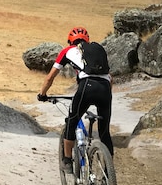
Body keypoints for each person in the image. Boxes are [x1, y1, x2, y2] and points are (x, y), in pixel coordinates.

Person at [37, 26, 113, 173]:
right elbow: (110, 78)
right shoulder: (96, 51)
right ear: (87, 40)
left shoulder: (67, 51)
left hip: (86, 87)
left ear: (70, 41)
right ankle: (108, 173)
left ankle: (67, 162)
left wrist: (42, 94)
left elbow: (50, 77)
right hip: (105, 88)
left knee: (72, 122)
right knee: (105, 132)